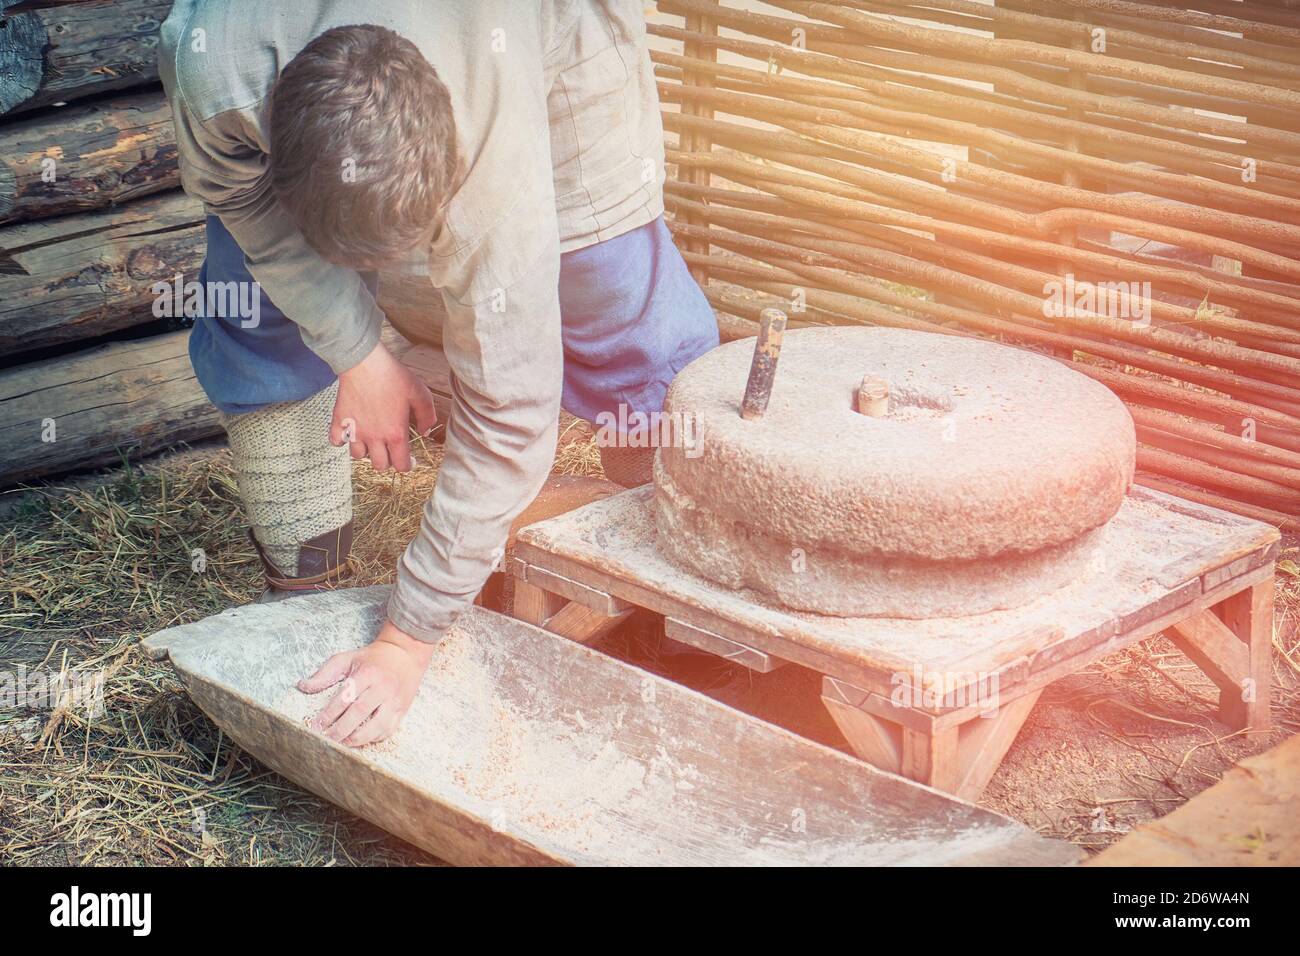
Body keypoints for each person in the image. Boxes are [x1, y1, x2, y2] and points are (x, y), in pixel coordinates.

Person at [159, 0, 718, 746]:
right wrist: (356, 352)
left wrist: (407, 638)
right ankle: (297, 592)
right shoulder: (214, 63)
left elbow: (511, 411)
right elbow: (241, 197)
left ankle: (674, 617)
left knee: (613, 295)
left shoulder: (494, 154)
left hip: (537, 31)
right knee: (258, 297)